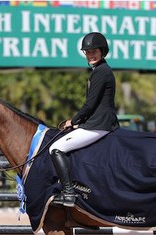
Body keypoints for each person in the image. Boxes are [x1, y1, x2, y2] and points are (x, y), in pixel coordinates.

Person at [49, 32, 119, 207]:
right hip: (96, 121)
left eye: (94, 51)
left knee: (56, 148)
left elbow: (90, 104)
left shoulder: (101, 72)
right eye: (87, 52)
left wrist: (72, 121)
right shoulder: (100, 70)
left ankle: (69, 193)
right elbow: (95, 105)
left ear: (102, 51)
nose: (90, 54)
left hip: (100, 125)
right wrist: (81, 121)